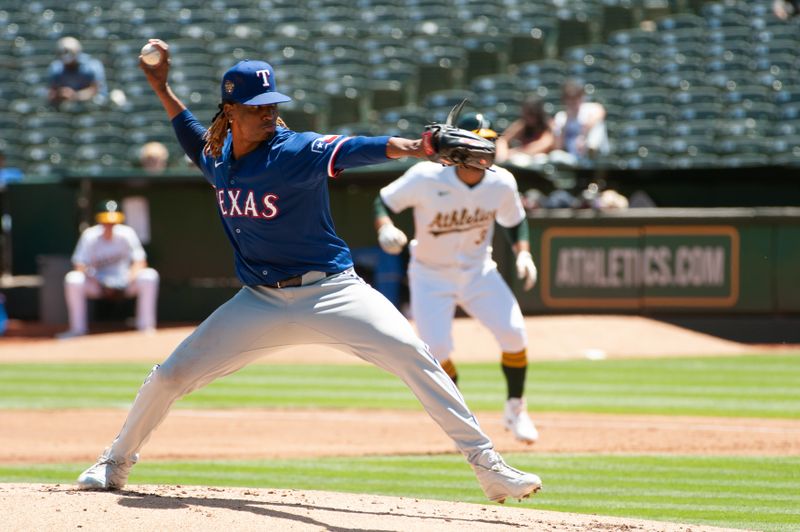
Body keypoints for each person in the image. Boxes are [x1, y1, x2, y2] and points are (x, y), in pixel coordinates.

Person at [75, 39, 542, 503]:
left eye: (272, 104)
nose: (268, 113)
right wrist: (162, 87)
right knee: (170, 376)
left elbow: (361, 148)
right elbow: (189, 133)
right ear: (230, 111)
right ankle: (114, 463)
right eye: (256, 107)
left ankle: (490, 469)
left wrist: (418, 147)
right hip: (259, 301)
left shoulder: (296, 149)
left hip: (333, 292)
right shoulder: (217, 157)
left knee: (415, 356)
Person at [373, 112, 540, 444]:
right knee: (436, 350)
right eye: (480, 141)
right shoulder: (425, 176)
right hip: (430, 275)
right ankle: (464, 419)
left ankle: (516, 409)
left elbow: (514, 220)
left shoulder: (501, 181)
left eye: (490, 142)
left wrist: (524, 252)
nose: (486, 149)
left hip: (479, 272)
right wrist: (386, 227)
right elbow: (384, 201)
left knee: (515, 334)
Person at [57, 199, 159, 339]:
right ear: (99, 221)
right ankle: (77, 329)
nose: (110, 225)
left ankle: (146, 327)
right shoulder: (90, 235)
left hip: (124, 282)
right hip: (97, 283)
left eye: (113, 222)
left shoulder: (126, 233)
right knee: (73, 279)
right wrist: (97, 281)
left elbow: (140, 261)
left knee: (149, 275)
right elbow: (79, 264)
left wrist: (127, 279)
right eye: (106, 222)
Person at [551, 80, 609, 165]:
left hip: (594, 152)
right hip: (573, 157)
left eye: (575, 98)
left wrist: (582, 136)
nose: (572, 102)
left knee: (598, 125)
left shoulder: (590, 109)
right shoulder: (561, 117)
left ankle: (591, 152)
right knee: (554, 155)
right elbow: (558, 146)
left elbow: (601, 112)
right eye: (569, 99)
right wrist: (564, 127)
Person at [47, 36, 107, 109]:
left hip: (90, 105)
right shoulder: (56, 67)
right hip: (65, 106)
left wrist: (74, 95)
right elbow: (52, 93)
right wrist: (61, 93)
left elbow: (96, 90)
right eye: (62, 53)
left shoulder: (92, 65)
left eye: (68, 52)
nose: (66, 56)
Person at [495, 96, 554, 164]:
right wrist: (502, 155)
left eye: (531, 113)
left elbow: (544, 144)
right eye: (526, 113)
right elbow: (502, 139)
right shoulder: (523, 124)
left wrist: (516, 152)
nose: (528, 117)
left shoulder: (548, 125)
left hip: (540, 164)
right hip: (522, 160)